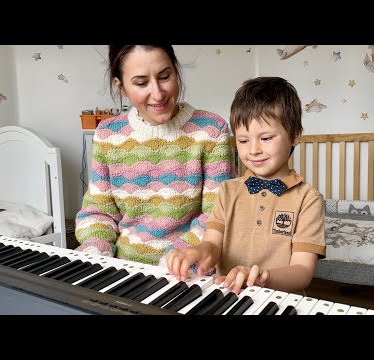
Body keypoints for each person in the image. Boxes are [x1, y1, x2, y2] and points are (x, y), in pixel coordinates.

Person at [75, 45, 235, 265]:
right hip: (124, 268)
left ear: (176, 72)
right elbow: (98, 211)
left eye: (165, 76)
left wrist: (175, 257)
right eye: (141, 83)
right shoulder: (108, 134)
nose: (158, 94)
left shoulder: (211, 130)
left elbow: (217, 216)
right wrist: (97, 249)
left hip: (188, 269)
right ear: (120, 87)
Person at [166, 76, 326, 294]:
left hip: (278, 302)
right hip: (226, 295)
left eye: (266, 138)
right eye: (243, 140)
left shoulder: (308, 199)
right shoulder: (227, 191)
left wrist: (263, 277)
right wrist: (198, 252)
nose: (253, 150)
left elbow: (302, 272)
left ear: (295, 135)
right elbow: (212, 245)